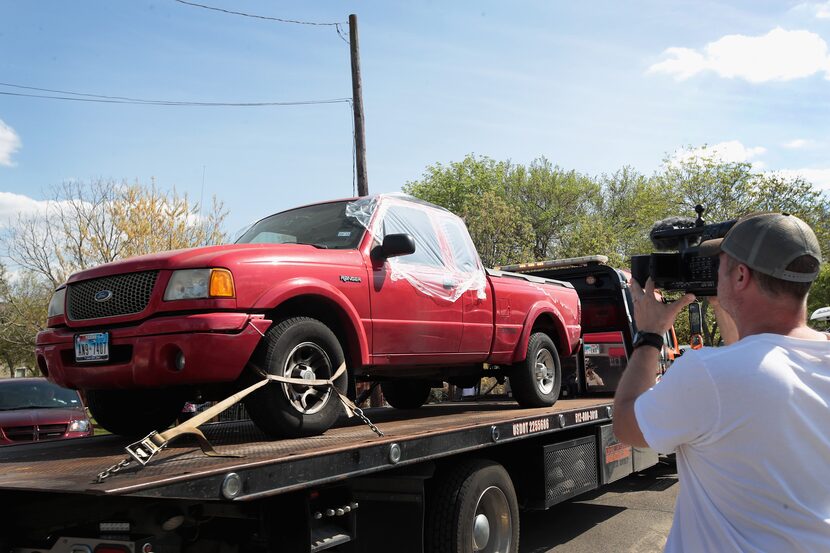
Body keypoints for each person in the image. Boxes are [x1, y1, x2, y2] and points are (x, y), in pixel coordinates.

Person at [613, 212, 830, 552]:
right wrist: (724, 304)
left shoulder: (709, 374)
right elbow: (749, 362)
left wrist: (650, 335)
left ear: (740, 275)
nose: (713, 273)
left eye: (719, 264)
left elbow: (627, 425)